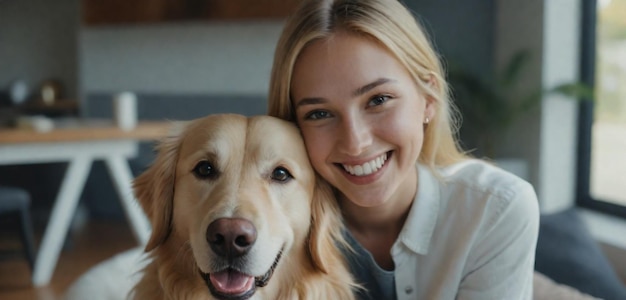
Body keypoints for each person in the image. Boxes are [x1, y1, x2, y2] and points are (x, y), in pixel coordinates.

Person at [267, 0, 540, 299]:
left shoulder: (495, 209)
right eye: (319, 114)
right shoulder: (266, 224)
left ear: (428, 99)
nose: (355, 142)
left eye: (378, 99)